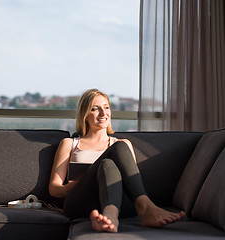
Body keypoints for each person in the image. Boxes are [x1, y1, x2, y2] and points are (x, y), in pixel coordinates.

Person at [49, 89, 185, 233]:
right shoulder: (70, 143)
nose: (103, 113)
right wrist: (80, 182)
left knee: (114, 155)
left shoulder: (122, 145)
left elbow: (130, 183)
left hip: (119, 204)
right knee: (109, 158)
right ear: (85, 115)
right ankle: (146, 206)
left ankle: (111, 218)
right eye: (95, 109)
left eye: (106, 107)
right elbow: (54, 189)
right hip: (81, 203)